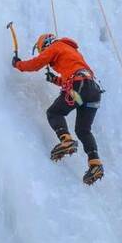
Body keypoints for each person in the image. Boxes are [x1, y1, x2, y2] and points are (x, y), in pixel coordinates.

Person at [12, 33, 104, 185]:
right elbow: (74, 74)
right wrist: (55, 79)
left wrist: (18, 64)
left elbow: (37, 63)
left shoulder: (55, 46)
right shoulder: (72, 51)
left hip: (79, 88)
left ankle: (66, 141)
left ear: (45, 45)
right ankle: (95, 163)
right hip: (92, 91)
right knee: (83, 130)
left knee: (54, 113)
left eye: (43, 50)